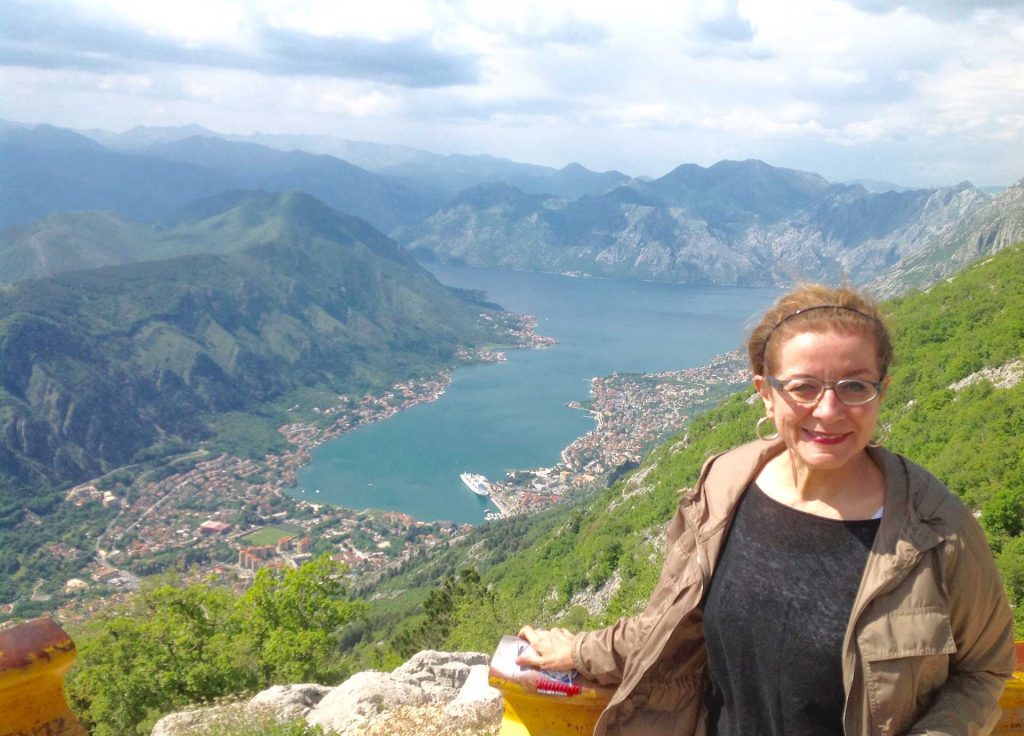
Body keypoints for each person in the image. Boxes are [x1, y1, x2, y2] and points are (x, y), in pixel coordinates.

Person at [517, 284, 1016, 736]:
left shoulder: (935, 531)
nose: (828, 410)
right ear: (766, 394)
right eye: (803, 387)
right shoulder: (724, 486)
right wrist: (581, 651)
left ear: (881, 391)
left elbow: (985, 668)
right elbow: (668, 623)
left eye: (854, 386)